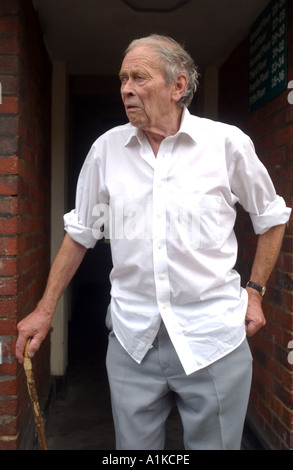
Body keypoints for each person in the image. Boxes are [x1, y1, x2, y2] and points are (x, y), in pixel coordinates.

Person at [16, 34, 291, 450]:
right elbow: (79, 236)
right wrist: (44, 309)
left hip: (213, 336)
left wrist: (254, 293)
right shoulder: (106, 150)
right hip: (132, 339)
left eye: (139, 77)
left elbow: (271, 218)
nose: (126, 88)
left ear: (178, 86)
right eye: (123, 78)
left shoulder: (226, 144)